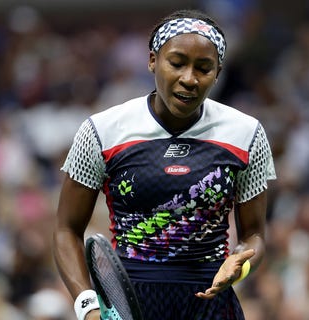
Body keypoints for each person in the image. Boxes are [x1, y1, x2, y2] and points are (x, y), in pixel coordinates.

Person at [53, 8, 276, 320]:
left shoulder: (247, 134)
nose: (189, 78)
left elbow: (255, 235)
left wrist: (241, 265)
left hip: (211, 303)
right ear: (152, 60)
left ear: (218, 72)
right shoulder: (101, 131)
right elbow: (67, 229)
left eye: (203, 68)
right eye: (177, 63)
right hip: (130, 303)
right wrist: (88, 307)